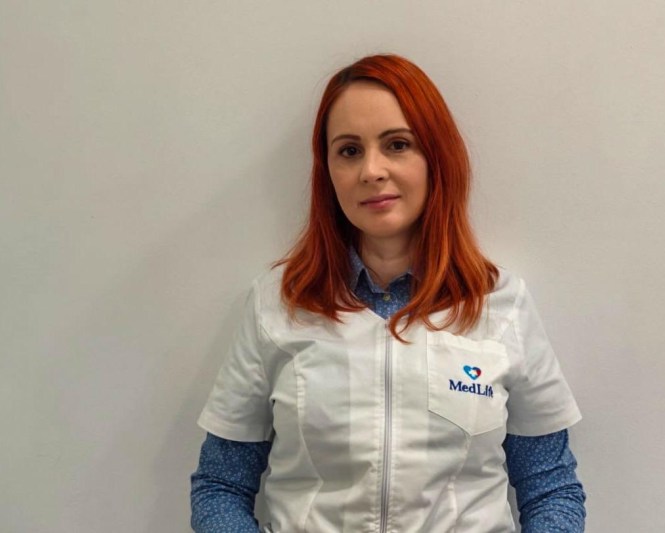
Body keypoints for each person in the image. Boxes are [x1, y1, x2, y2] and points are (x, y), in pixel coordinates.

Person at [190, 54, 586, 532]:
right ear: (328, 171)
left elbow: (551, 488)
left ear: (436, 157)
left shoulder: (500, 304)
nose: (371, 170)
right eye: (349, 151)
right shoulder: (278, 304)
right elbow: (221, 486)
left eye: (397, 144)